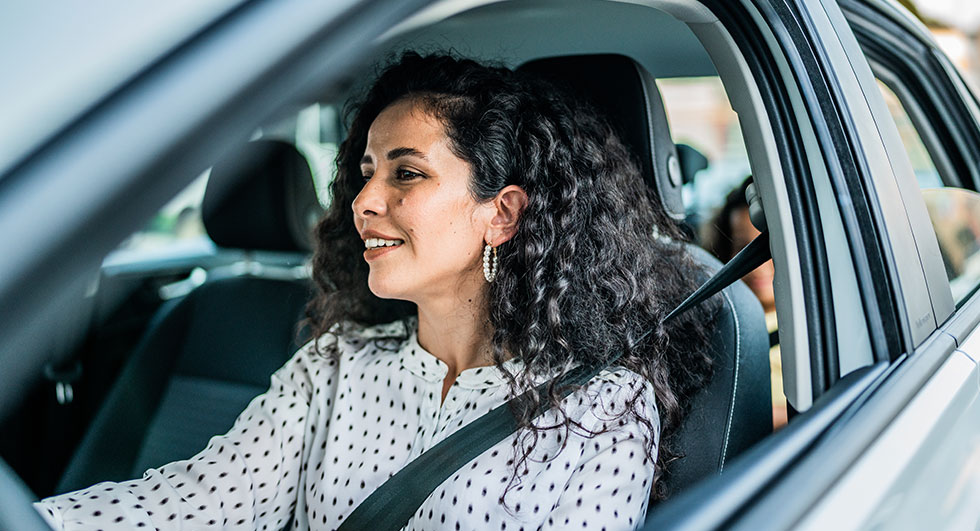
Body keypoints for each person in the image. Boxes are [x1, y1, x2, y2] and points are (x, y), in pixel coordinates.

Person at [36, 52, 714, 530]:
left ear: (501, 214)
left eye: (406, 174)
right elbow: (195, 504)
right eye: (365, 172)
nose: (363, 200)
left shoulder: (602, 406)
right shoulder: (337, 363)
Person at [702, 178, 786, 428]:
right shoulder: (726, 320)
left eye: (768, 247)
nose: (758, 265)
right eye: (744, 250)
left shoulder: (810, 322)